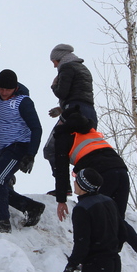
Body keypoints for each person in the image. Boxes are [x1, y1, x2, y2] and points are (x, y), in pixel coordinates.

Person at [53, 105, 137, 272]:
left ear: (62, 121)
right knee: (116, 218)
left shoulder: (64, 136)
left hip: (101, 175)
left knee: (97, 217)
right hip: (121, 170)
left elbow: (61, 170)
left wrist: (61, 199)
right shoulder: (90, 129)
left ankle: (86, 260)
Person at [0, 69, 45, 232]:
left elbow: (37, 128)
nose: (4, 92)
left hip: (21, 145)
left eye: (8, 90)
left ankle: (4, 222)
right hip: (5, 147)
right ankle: (31, 207)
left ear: (15, 88)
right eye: (1, 88)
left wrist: (31, 155)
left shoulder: (23, 102)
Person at [44, 43, 97, 186]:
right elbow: (80, 97)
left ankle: (64, 187)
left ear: (60, 59)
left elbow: (63, 92)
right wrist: (62, 108)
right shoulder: (83, 68)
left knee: (52, 149)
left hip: (73, 114)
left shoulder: (67, 68)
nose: (54, 66)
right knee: (84, 153)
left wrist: (54, 86)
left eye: (54, 61)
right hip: (89, 113)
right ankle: (88, 188)